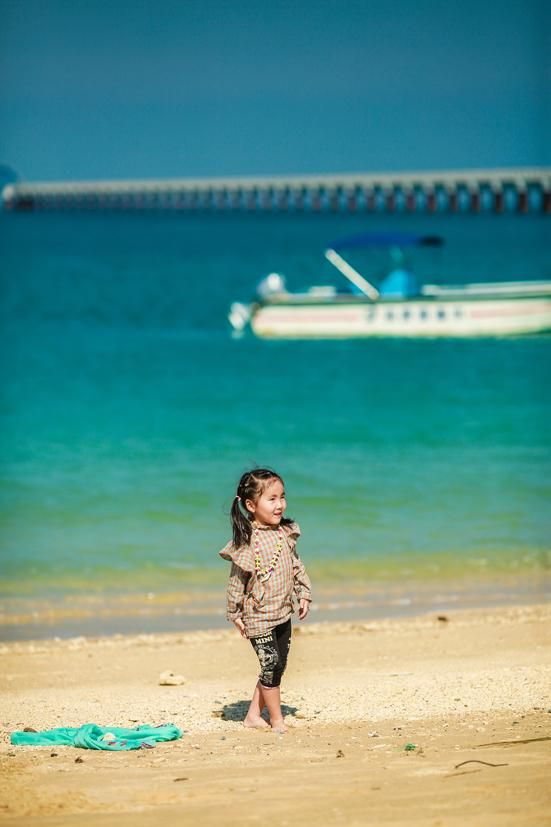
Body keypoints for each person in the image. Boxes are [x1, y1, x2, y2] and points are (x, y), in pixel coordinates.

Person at [219, 468, 312, 733]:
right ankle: (277, 720)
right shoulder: (247, 541)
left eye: (282, 497)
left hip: (283, 612)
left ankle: (251, 716)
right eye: (271, 499)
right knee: (270, 664)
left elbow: (296, 566)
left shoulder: (285, 533)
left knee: (277, 665)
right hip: (257, 616)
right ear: (251, 505)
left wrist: (304, 593)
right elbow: (236, 581)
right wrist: (234, 613)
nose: (280, 504)